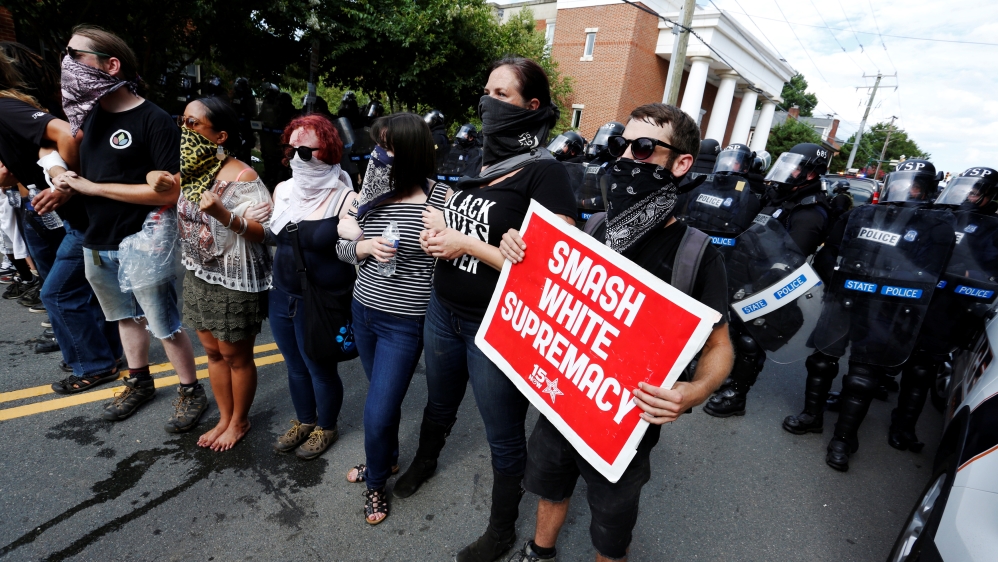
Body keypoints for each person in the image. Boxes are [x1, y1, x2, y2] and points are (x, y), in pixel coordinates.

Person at [499, 103, 734, 562]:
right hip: (562, 401)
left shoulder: (696, 254)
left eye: (643, 148)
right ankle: (539, 551)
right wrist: (517, 249)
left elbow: (720, 345)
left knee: (611, 525)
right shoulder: (595, 227)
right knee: (550, 486)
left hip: (625, 428)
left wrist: (693, 391)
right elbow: (547, 293)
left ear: (681, 163)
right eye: (619, 145)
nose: (626, 157)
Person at [405, 56, 576, 562]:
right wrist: (437, 232)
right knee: (439, 402)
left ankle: (500, 531)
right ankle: (425, 462)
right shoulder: (478, 161)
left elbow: (552, 269)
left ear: (531, 106)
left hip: (496, 326)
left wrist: (467, 245)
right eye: (486, 92)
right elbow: (450, 216)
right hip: (443, 309)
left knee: (503, 435)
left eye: (501, 95)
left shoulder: (546, 173)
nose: (488, 102)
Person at [53, 25, 206, 430]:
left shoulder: (153, 119)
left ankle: (191, 390)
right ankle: (139, 382)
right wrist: (65, 183)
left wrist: (93, 187)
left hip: (144, 240)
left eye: (76, 55)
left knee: (163, 323)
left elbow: (171, 193)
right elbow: (71, 164)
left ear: (111, 66)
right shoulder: (87, 117)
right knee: (124, 317)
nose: (67, 63)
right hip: (96, 238)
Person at [783, 159, 956, 471]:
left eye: (915, 187)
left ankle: (843, 440)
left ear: (927, 191)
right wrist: (836, 280)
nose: (906, 191)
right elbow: (829, 251)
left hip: (887, 308)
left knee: (862, 379)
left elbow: (929, 274)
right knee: (821, 360)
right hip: (846, 298)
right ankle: (811, 416)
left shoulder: (936, 228)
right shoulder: (861, 214)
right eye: (901, 183)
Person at [335, 113, 449, 525]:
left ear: (411, 150)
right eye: (377, 146)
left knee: (379, 410)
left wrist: (442, 244)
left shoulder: (441, 199)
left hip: (405, 323)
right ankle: (387, 457)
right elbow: (341, 248)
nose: (378, 155)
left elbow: (456, 259)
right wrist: (364, 248)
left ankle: (376, 482)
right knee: (381, 402)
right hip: (363, 311)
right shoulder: (372, 190)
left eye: (387, 147)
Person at [0, 44, 124, 380]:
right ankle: (106, 354)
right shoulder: (10, 107)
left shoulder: (4, 107)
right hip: (77, 218)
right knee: (90, 288)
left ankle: (94, 365)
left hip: (85, 218)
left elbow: (70, 135)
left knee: (57, 293)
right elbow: (38, 151)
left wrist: (66, 185)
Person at [162, 96, 273, 451]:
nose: (184, 129)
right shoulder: (193, 170)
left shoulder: (244, 177)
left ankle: (239, 421)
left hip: (234, 279)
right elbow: (166, 192)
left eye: (193, 123)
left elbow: (266, 233)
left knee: (236, 357)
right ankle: (225, 418)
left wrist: (226, 216)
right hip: (199, 274)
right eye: (182, 121)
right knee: (212, 352)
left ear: (221, 136)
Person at [703, 142, 832, 418]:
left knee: (751, 341)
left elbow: (790, 258)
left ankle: (737, 395)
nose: (788, 170)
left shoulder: (810, 211)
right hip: (743, 277)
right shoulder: (778, 197)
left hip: (770, 286)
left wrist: (758, 286)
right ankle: (727, 378)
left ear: (811, 173)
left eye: (796, 166)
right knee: (732, 333)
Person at [884, 167, 998, 452]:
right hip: (915, 296)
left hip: (950, 307)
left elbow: (987, 270)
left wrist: (965, 271)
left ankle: (903, 426)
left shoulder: (992, 229)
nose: (967, 196)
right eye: (965, 189)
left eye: (975, 192)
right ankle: (868, 391)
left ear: (991, 196)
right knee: (885, 348)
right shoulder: (942, 215)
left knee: (922, 369)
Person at [269, 114, 356, 460]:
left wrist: (358, 233)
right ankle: (305, 420)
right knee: (294, 365)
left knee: (320, 367)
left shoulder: (345, 197)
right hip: (281, 294)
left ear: (328, 151)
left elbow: (354, 250)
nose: (296, 158)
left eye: (305, 152)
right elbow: (276, 238)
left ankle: (327, 426)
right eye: (291, 151)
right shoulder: (283, 190)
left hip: (320, 300)